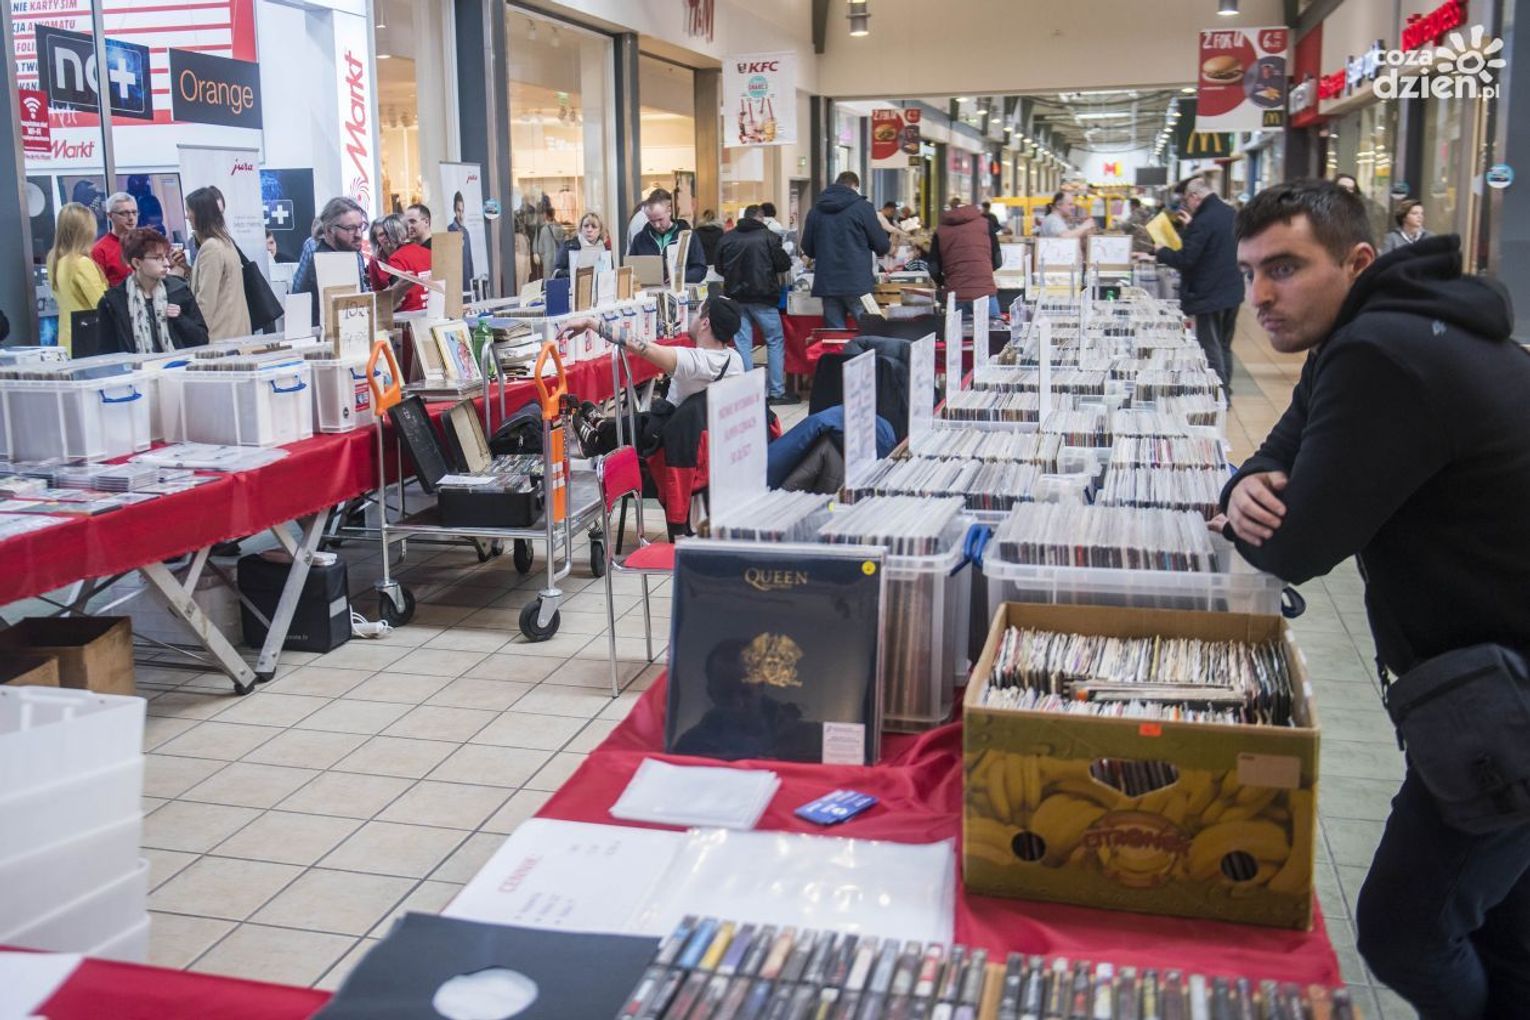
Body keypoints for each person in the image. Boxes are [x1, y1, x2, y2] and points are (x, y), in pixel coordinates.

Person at [1221, 178, 1530, 1018]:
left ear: (1357, 261)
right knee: (1500, 925)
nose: (1260, 296)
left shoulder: (1380, 354)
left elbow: (1297, 546)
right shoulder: (1374, 331)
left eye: (1285, 268)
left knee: (1406, 931)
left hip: (1505, 702)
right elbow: (1278, 451)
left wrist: (1252, 506)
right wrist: (1245, 482)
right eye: (1250, 273)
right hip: (1488, 678)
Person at [560, 295, 746, 461]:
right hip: (702, 436)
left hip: (672, 440)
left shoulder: (694, 362)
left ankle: (596, 438)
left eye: (697, 313)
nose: (693, 317)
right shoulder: (735, 360)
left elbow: (643, 348)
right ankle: (600, 427)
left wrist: (591, 323)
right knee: (640, 420)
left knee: (642, 423)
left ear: (705, 323)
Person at [1145, 177, 1243, 393]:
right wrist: (1191, 227)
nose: (1186, 205)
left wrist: (1161, 251)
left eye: (1186, 200)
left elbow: (1186, 259)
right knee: (1224, 346)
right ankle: (1226, 389)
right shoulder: (1230, 213)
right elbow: (1216, 245)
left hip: (1210, 293)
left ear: (1195, 196)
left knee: (1211, 347)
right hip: (1233, 290)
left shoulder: (1203, 220)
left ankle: (1219, 395)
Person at [717, 205, 793, 404]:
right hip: (764, 298)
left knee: (743, 344)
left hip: (736, 298)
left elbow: (718, 267)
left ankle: (748, 391)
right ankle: (776, 391)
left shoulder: (727, 238)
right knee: (774, 341)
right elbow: (784, 264)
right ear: (761, 218)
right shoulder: (769, 237)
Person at [96, 227, 209, 354]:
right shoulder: (113, 302)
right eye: (158, 258)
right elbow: (107, 352)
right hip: (137, 366)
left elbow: (202, 339)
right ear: (137, 263)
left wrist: (180, 319)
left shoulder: (179, 291)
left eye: (165, 256)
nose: (166, 263)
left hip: (177, 364)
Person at [799, 171, 889, 329]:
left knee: (834, 336)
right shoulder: (863, 208)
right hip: (857, 283)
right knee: (868, 330)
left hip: (828, 283)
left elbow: (808, 248)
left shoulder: (816, 211)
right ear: (855, 186)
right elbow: (881, 246)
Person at [184, 186, 250, 341]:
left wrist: (197, 334)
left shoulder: (211, 248)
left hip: (220, 334)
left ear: (200, 213)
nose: (187, 216)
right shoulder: (225, 242)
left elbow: (206, 300)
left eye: (188, 210)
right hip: (235, 331)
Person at [291, 197, 369, 327]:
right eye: (350, 228)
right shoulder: (327, 261)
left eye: (361, 226)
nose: (358, 235)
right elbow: (347, 319)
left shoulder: (350, 253)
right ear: (328, 230)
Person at [47, 202, 109, 355]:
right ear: (86, 231)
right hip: (89, 341)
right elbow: (101, 304)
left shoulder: (55, 261)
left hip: (68, 340)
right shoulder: (81, 263)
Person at [928, 198, 1001, 316]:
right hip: (984, 292)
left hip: (955, 295)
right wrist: (982, 272)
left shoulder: (940, 230)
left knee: (957, 328)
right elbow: (997, 261)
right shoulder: (986, 224)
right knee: (992, 327)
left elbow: (933, 268)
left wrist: (943, 282)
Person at [628, 189, 706, 285]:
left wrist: (680, 277)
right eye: (652, 221)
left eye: (660, 219)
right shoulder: (640, 239)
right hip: (649, 291)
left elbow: (700, 269)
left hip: (680, 290)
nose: (657, 225)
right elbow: (631, 269)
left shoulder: (688, 236)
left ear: (669, 211)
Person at [367, 214, 430, 311]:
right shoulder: (427, 252)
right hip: (426, 308)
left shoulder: (396, 258)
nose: (386, 237)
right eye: (381, 234)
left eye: (386, 233)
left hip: (408, 312)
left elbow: (399, 298)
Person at [91, 192, 138, 287]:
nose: (131, 218)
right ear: (110, 216)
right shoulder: (99, 250)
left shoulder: (146, 243)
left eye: (134, 212)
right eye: (124, 213)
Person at [553, 212, 612, 278]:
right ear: (581, 228)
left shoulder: (604, 249)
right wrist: (576, 273)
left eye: (594, 227)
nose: (589, 230)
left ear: (600, 230)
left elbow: (609, 272)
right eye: (586, 226)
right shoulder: (568, 246)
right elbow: (556, 272)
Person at [446, 191, 476, 288]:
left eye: (462, 211)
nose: (461, 215)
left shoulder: (466, 232)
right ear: (454, 210)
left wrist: (471, 275)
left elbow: (469, 256)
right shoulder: (448, 231)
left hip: (466, 278)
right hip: (454, 279)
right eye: (458, 211)